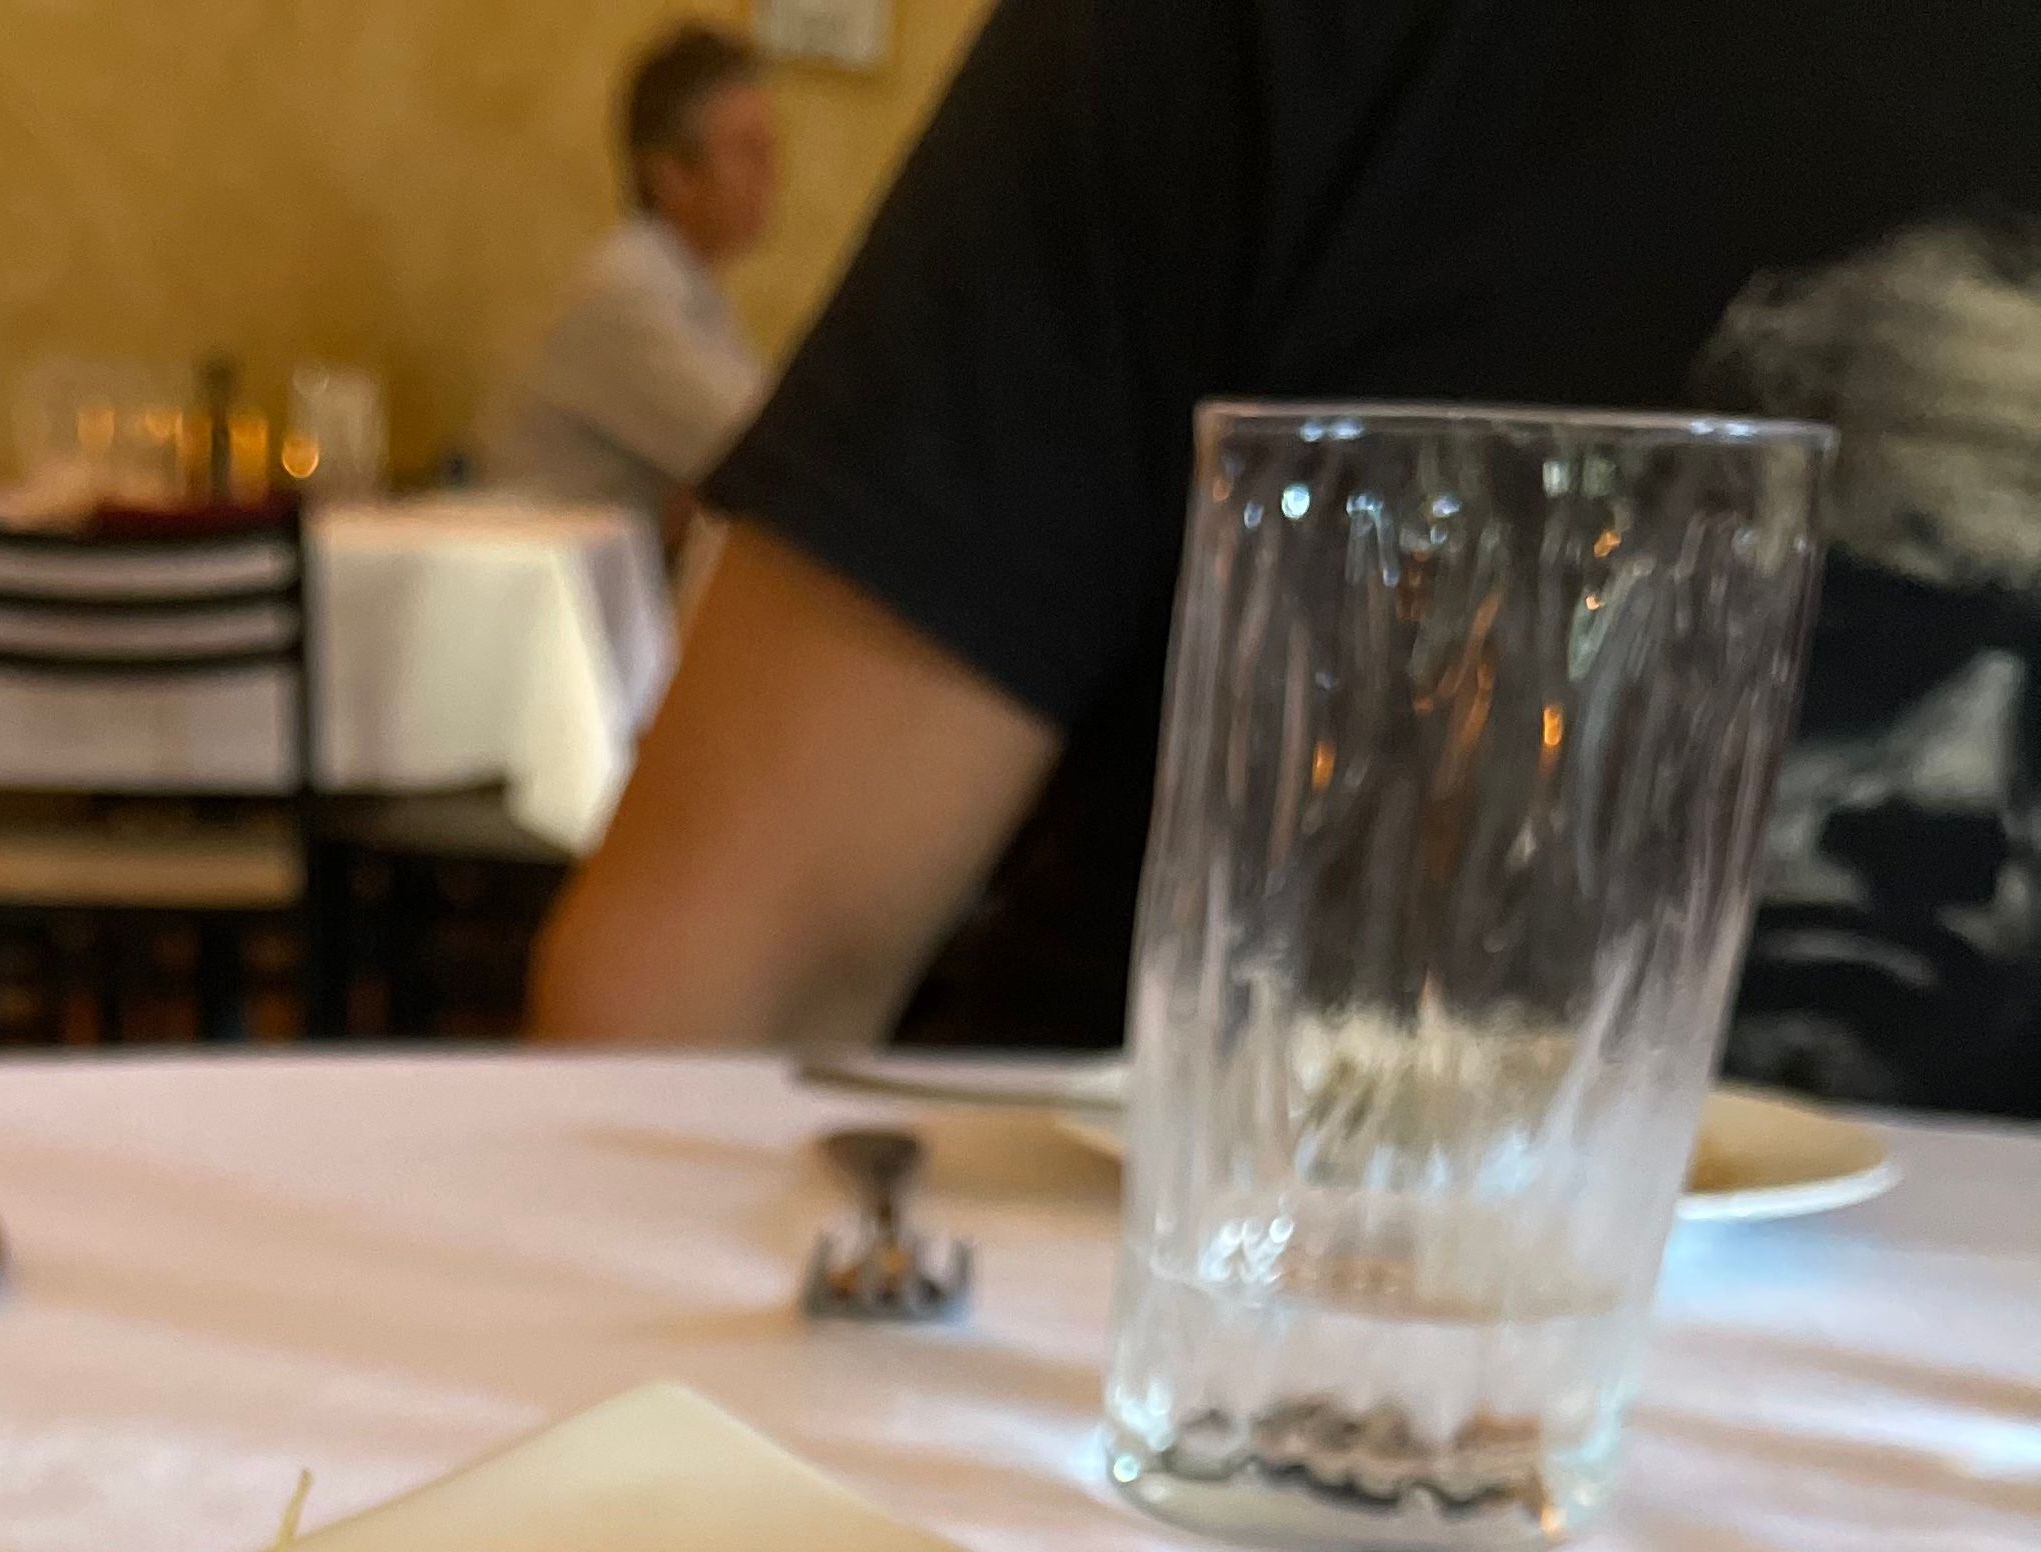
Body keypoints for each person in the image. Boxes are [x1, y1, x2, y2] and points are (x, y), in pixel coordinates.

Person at [532, 0, 2041, 1117]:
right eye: (1863, 648)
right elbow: (711, 988)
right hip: (1182, 1366)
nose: (1955, 795)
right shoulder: (1297, 48)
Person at [479, 24, 778, 549]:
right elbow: (764, 457)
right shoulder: (630, 292)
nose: (771, 174)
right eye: (748, 152)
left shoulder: (689, 290)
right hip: (536, 583)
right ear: (670, 175)